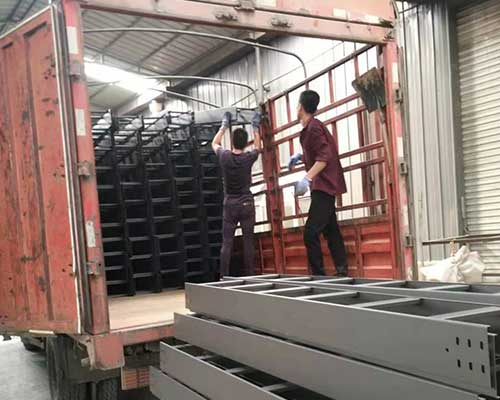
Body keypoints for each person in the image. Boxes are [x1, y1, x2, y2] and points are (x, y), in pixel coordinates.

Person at [289, 90, 348, 277]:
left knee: (310, 232)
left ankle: (319, 275)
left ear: (300, 107)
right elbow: (317, 153)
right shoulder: (311, 128)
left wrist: (307, 178)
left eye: (297, 105)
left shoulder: (313, 128)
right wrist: (301, 157)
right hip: (325, 185)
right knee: (331, 230)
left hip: (324, 186)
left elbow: (324, 157)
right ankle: (341, 270)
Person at [212, 111, 262, 277]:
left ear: (232, 141)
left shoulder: (225, 156)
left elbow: (215, 143)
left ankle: (223, 276)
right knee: (248, 242)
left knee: (227, 242)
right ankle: (250, 276)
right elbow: (258, 147)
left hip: (230, 204)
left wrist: (224, 126)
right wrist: (255, 127)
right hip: (246, 203)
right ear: (245, 143)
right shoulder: (248, 158)